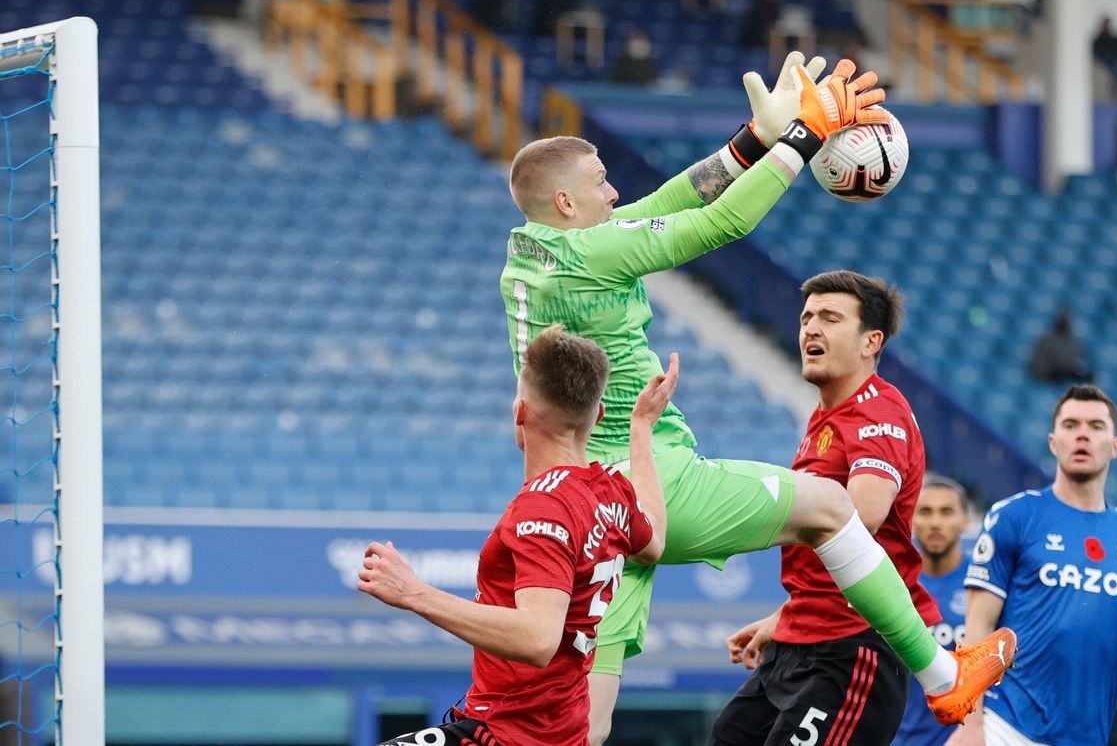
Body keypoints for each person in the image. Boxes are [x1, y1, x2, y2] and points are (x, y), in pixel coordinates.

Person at [499, 55, 1012, 744]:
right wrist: (803, 137)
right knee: (828, 509)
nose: (615, 192)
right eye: (600, 184)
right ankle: (945, 679)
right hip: (649, 482)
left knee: (583, 727)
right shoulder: (594, 254)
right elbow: (717, 225)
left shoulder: (531, 259)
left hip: (577, 506)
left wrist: (753, 140)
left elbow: (669, 202)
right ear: (567, 204)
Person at [711, 272, 1017, 745]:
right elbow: (827, 551)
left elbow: (859, 516)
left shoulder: (880, 413)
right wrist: (785, 616)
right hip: (799, 642)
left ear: (871, 341)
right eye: (807, 317)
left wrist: (747, 513)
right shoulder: (825, 417)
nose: (811, 328)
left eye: (830, 318)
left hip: (853, 653)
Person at [360, 326, 677, 746]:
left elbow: (538, 638)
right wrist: (641, 428)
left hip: (511, 735)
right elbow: (654, 541)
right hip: (559, 729)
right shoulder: (611, 491)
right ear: (597, 416)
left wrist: (413, 593)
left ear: (519, 411)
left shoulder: (544, 506)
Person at [949, 385, 1117, 746]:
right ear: (1054, 442)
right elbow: (978, 627)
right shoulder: (1014, 517)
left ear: (1116, 446)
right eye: (1071, 425)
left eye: (1095, 426)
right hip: (1007, 728)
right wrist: (971, 726)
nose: (1082, 434)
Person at [892, 475, 974, 746]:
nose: (936, 522)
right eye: (925, 512)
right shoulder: (891, 584)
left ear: (965, 521)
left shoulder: (985, 584)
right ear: (912, 521)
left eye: (946, 512)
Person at [1028, 307, 1094, 383]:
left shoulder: (1073, 340)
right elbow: (1039, 366)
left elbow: (1077, 360)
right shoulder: (1046, 339)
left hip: (1064, 375)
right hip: (1048, 375)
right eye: (1062, 321)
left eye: (1066, 321)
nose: (1064, 324)